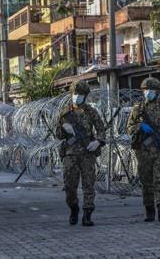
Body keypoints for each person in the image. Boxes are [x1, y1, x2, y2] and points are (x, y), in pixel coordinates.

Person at [127, 77, 160, 222]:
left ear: (157, 91)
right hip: (143, 151)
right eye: (146, 90)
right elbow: (129, 127)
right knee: (146, 182)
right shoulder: (138, 108)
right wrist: (139, 127)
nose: (149, 92)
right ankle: (149, 210)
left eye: (152, 90)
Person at [56, 80, 105, 226]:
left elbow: (101, 130)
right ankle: (74, 208)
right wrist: (64, 128)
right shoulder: (65, 112)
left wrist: (97, 141)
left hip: (87, 153)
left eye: (80, 94)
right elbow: (58, 134)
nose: (76, 96)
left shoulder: (91, 112)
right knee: (70, 187)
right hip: (70, 154)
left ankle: (88, 214)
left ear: (85, 96)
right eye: (74, 94)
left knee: (88, 185)